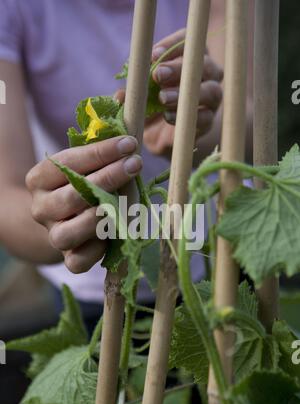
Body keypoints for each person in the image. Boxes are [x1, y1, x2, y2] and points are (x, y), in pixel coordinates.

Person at [0, 0, 253, 324]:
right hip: (96, 284)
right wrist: (62, 223)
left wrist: (197, 126)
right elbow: (6, 197)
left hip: (222, 247)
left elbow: (251, 122)